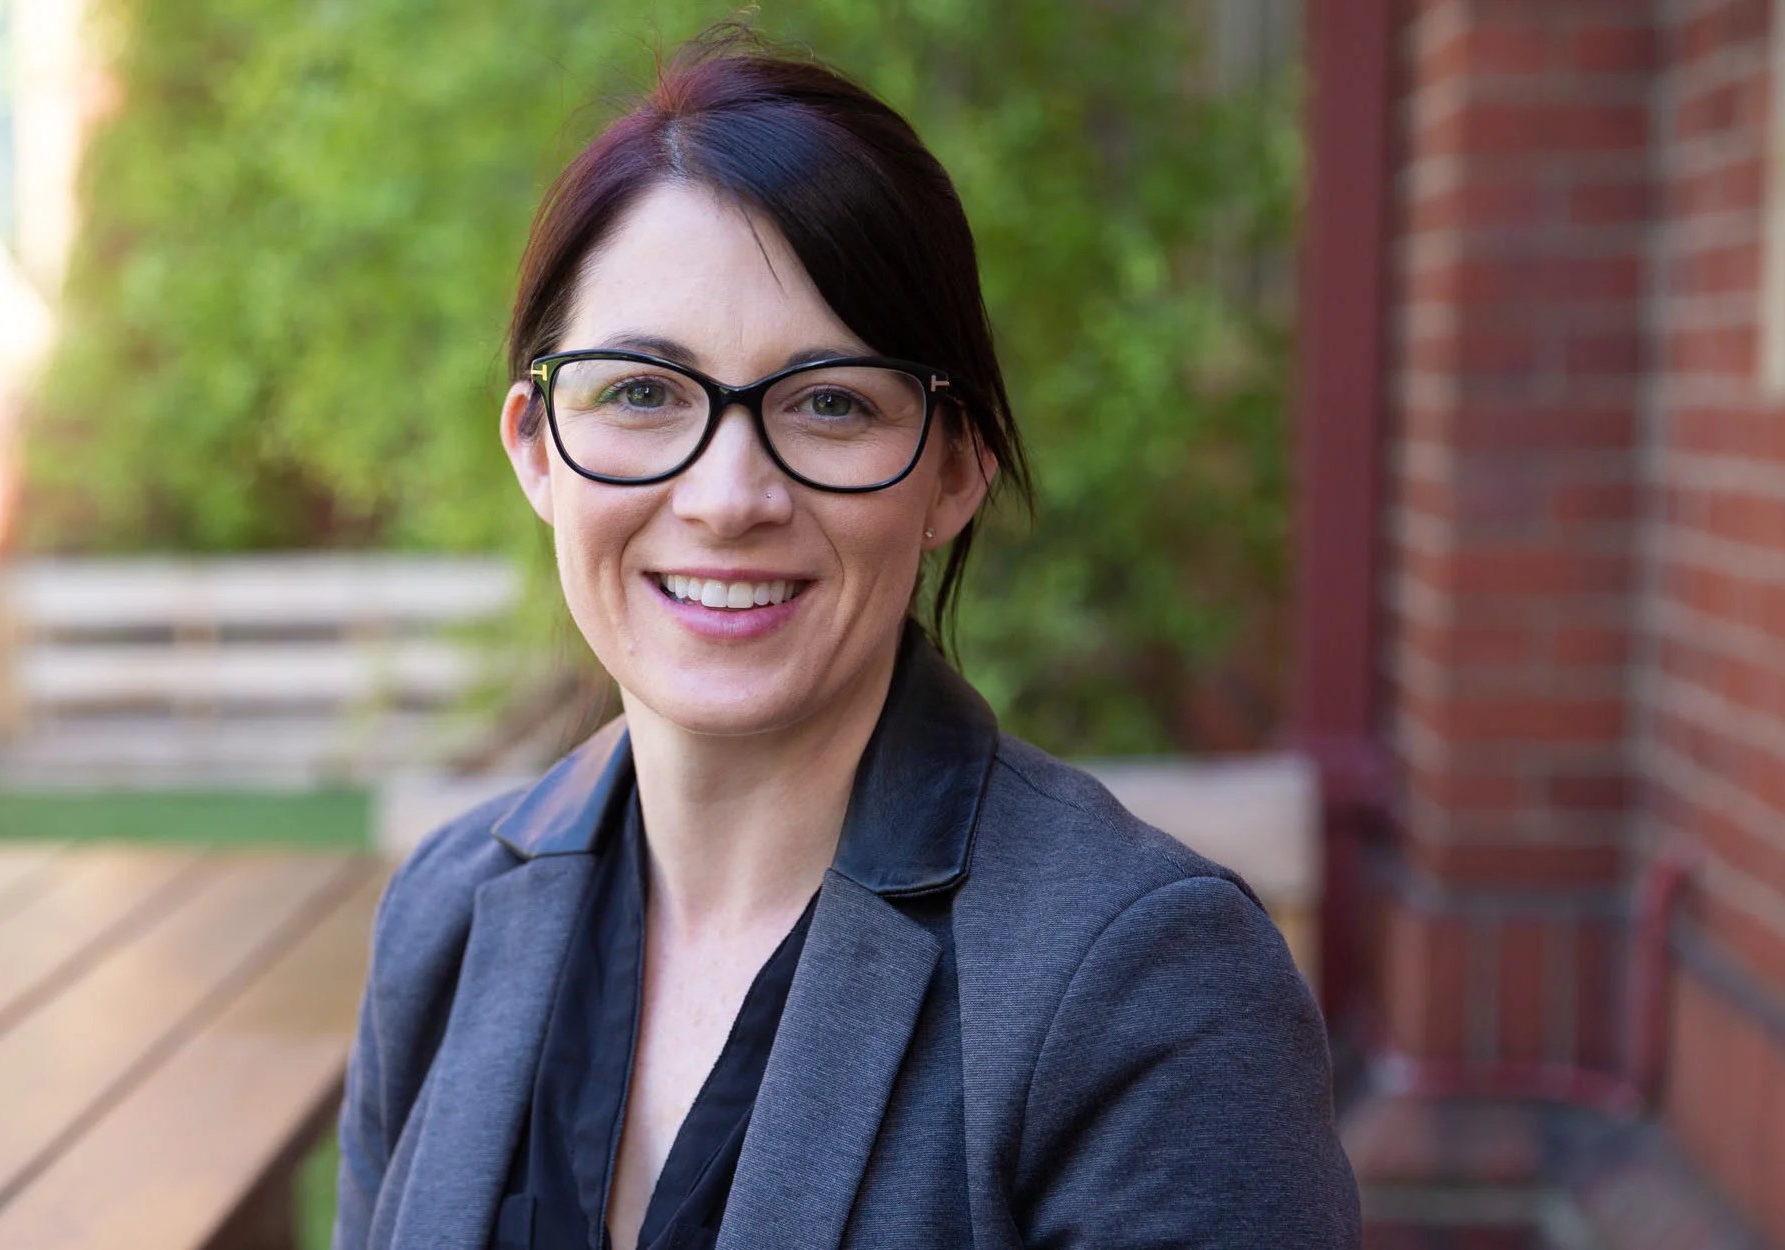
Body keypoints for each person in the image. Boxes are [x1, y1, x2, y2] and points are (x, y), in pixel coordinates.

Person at [333, 34, 1359, 1250]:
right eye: (642, 391)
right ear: (536, 447)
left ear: (956, 472)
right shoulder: (444, 917)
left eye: (829, 402)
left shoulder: (1152, 990)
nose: (726, 496)